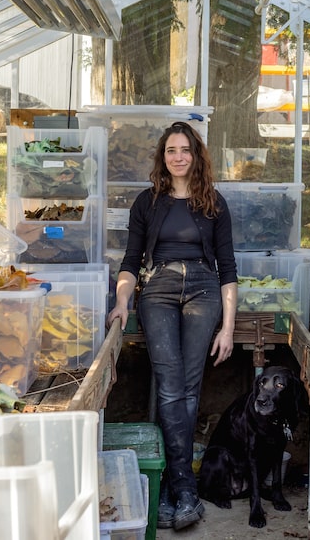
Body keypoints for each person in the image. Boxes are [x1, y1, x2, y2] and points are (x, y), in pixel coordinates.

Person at [107, 121, 238, 531]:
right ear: (162, 157)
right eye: (170, 151)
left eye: (184, 150)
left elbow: (229, 269)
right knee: (169, 383)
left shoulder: (214, 203)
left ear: (196, 155)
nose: (177, 157)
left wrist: (228, 327)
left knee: (189, 384)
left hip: (203, 289)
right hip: (158, 289)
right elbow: (130, 262)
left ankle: (169, 489)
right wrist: (122, 302)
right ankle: (183, 487)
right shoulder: (146, 203)